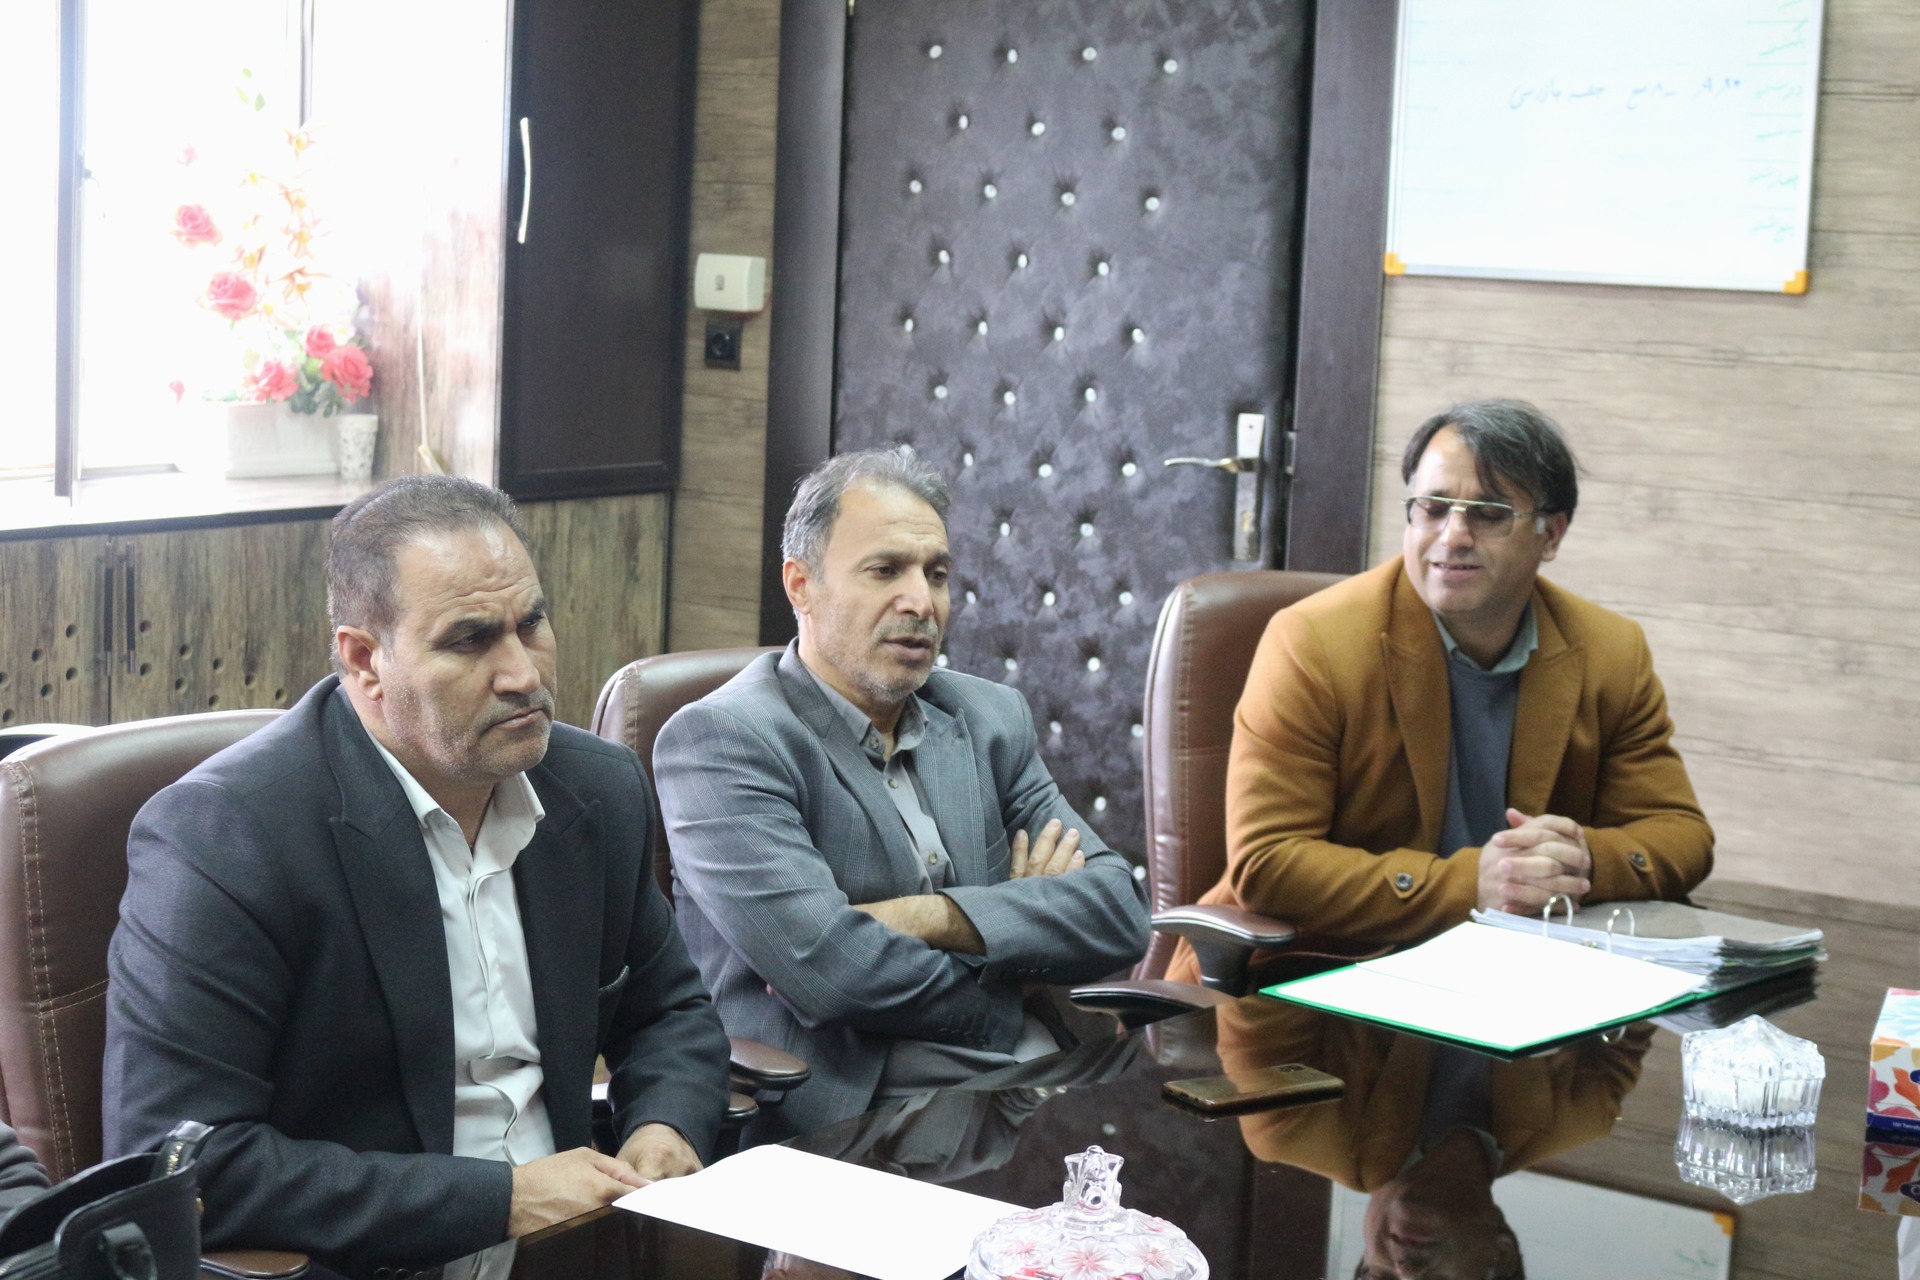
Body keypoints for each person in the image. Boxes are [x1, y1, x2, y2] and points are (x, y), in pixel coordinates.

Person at [104, 476, 731, 1275]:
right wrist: (500, 1200)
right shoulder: (228, 834)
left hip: (580, 1242)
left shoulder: (596, 789)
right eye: (470, 640)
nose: (521, 674)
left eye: (531, 624)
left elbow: (670, 1011)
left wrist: (665, 1127)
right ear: (364, 659)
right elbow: (183, 1161)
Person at [653, 447, 1151, 1141]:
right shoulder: (724, 740)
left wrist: (932, 917)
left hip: (1020, 1082)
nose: (922, 602)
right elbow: (832, 973)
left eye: (936, 574)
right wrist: (1017, 965)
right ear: (801, 585)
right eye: (885, 570)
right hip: (849, 1106)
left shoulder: (987, 717)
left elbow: (1120, 915)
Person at [1171, 399, 1712, 968]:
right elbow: (1268, 864)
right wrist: (1470, 885)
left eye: (1488, 514)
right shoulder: (1314, 641)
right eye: (1432, 508)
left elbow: (1682, 836)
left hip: (1518, 976)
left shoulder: (1610, 650)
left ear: (1550, 535)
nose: (1453, 536)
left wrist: (1580, 861)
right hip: (1319, 972)